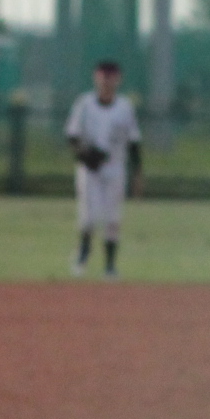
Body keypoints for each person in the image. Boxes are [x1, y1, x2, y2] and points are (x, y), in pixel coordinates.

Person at [65, 59, 142, 279]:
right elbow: (72, 135)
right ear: (96, 78)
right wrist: (84, 154)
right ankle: (83, 254)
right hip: (90, 169)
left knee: (112, 219)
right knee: (89, 217)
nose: (107, 81)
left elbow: (134, 142)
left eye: (111, 77)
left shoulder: (125, 107)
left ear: (118, 79)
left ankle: (110, 266)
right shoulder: (84, 104)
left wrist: (137, 173)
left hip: (115, 167)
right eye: (103, 76)